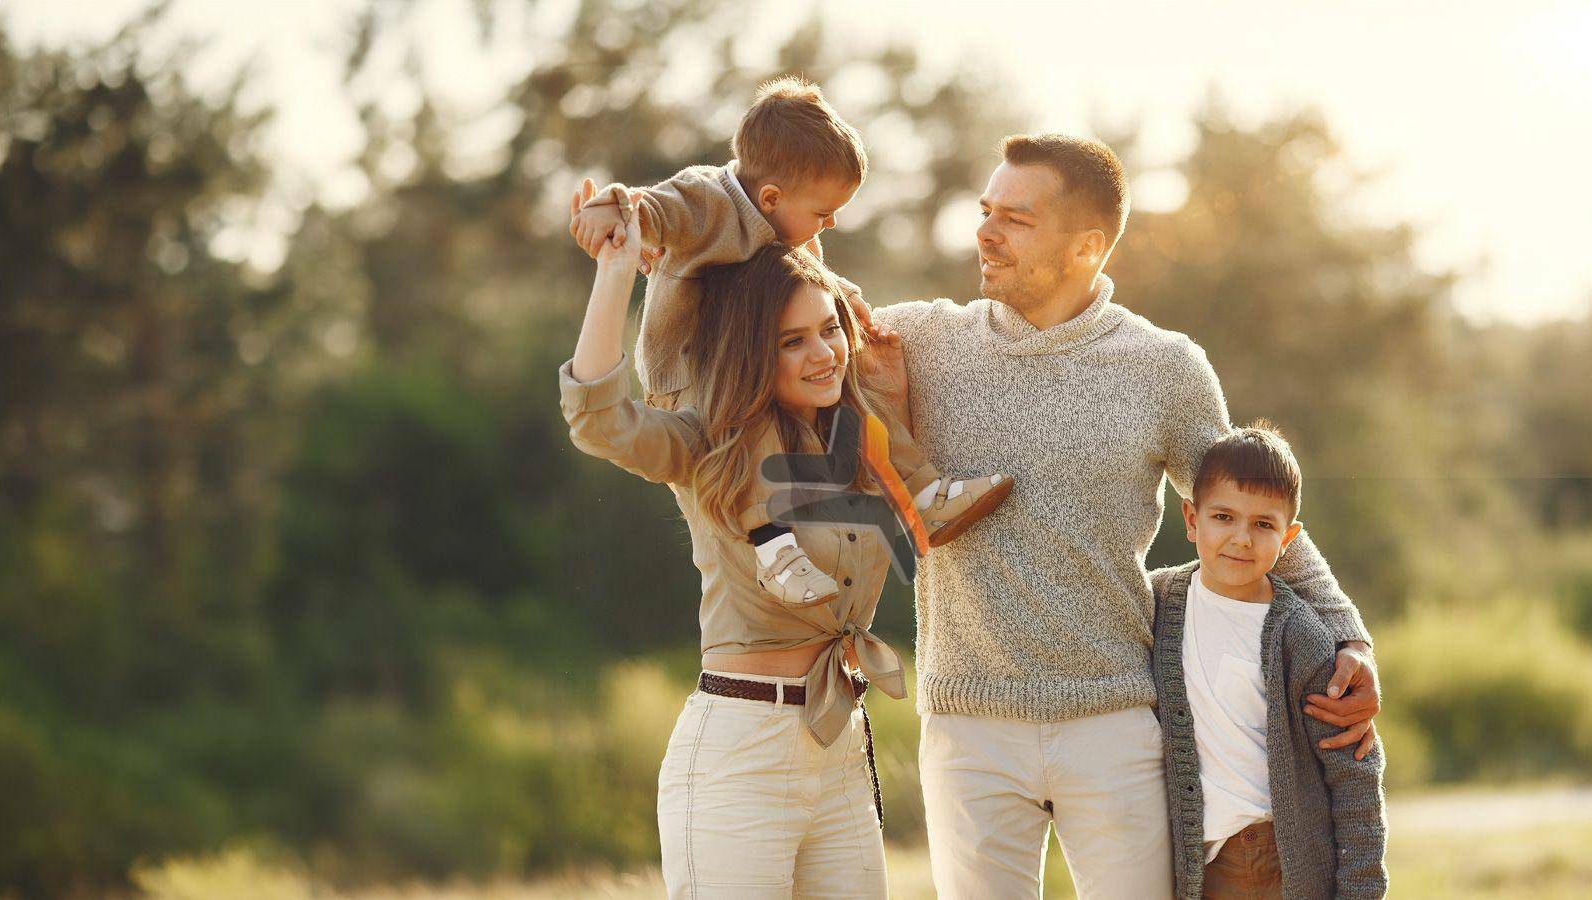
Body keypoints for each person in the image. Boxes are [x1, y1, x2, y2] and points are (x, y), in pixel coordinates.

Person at [867, 134, 1383, 898]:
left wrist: (1349, 637)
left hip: (1115, 720)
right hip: (967, 726)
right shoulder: (917, 340)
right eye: (985, 211)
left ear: (1086, 246)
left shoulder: (1166, 368)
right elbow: (789, 302)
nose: (984, 231)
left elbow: (1251, 513)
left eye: (1014, 218)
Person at [559, 197, 908, 897]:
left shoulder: (856, 440)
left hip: (839, 738)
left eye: (828, 329)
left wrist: (892, 391)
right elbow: (599, 420)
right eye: (791, 341)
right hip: (741, 749)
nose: (823, 353)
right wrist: (619, 268)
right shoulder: (707, 445)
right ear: (753, 351)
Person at [568, 76, 1010, 609]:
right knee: (749, 419)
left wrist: (844, 301)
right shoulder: (709, 199)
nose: (832, 222)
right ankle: (773, 546)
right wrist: (610, 212)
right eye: (824, 212)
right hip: (691, 377)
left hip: (752, 365)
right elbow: (652, 209)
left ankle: (920, 491)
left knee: (855, 382)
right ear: (772, 196)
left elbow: (800, 278)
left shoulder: (787, 221)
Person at [1151, 424, 1387, 899]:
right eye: (1223, 517)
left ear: (1289, 537)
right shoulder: (1158, 602)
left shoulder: (1299, 635)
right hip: (1194, 858)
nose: (1241, 538)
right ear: (1192, 520)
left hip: (1272, 857)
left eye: (1263, 524)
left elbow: (1354, 767)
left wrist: (1361, 888)